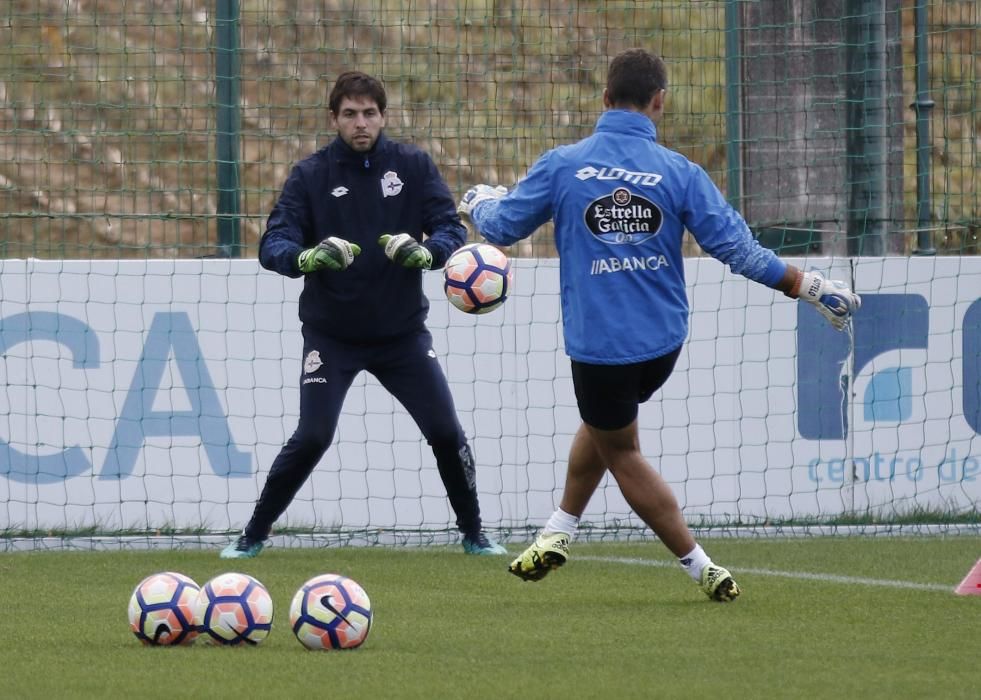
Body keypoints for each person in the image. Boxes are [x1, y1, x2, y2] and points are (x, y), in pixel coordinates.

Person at [457, 49, 860, 600]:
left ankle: (700, 565)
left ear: (604, 98)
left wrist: (478, 201)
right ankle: (558, 530)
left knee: (620, 448)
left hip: (599, 349)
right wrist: (808, 285)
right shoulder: (680, 172)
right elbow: (738, 249)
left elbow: (502, 227)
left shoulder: (564, 164)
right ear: (659, 102)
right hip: (662, 344)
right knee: (604, 428)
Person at [222, 71, 507, 559]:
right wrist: (307, 258)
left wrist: (427, 253)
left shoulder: (412, 166)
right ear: (333, 118)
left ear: (383, 116)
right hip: (332, 337)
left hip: (401, 336)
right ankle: (253, 535)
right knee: (313, 436)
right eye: (350, 114)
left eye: (369, 113)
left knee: (444, 430)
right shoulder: (311, 175)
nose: (361, 123)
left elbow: (448, 226)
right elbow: (274, 242)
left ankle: (475, 533)